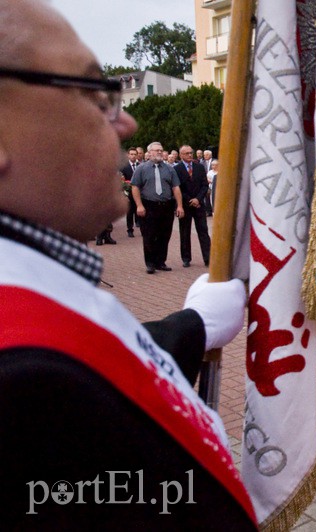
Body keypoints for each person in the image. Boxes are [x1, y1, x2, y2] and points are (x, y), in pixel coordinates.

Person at [0, 1, 255, 527]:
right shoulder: (23, 385)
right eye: (96, 95)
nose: (127, 121)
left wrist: (193, 325)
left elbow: (97, 359)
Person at [131, 142, 184, 274]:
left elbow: (176, 187)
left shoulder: (169, 169)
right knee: (149, 235)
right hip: (149, 206)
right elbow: (135, 187)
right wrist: (139, 205)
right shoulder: (141, 169)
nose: (160, 152)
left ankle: (161, 262)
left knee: (164, 235)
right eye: (156, 150)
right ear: (149, 153)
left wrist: (180, 206)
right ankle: (150, 263)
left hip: (166, 206)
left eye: (161, 150)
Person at [175, 145, 211, 268]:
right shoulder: (177, 169)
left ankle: (208, 257)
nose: (190, 155)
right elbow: (177, 188)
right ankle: (186, 258)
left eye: (191, 152)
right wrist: (189, 199)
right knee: (185, 232)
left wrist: (198, 199)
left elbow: (205, 185)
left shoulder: (199, 167)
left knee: (203, 231)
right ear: (181, 155)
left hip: (199, 205)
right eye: (187, 153)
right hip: (185, 205)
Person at [121, 146, 140, 237]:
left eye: (135, 154)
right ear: (128, 155)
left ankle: (141, 226)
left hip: (140, 193)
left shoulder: (140, 166)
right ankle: (130, 229)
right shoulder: (124, 167)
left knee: (139, 210)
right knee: (130, 212)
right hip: (129, 193)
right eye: (131, 154)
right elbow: (122, 181)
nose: (133, 156)